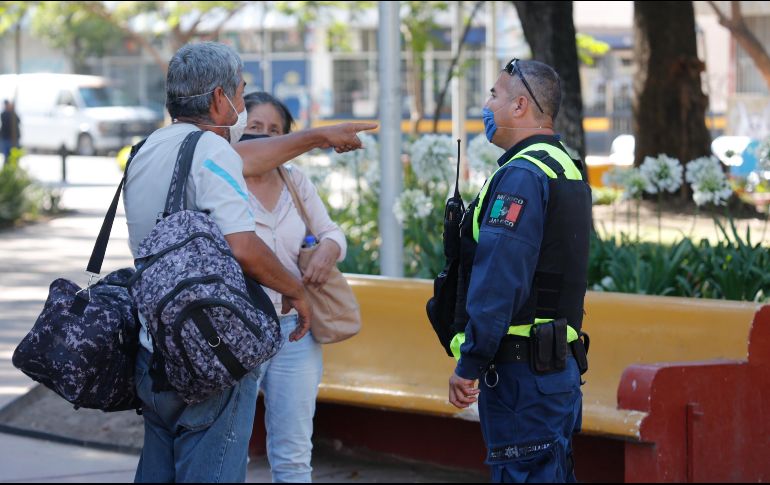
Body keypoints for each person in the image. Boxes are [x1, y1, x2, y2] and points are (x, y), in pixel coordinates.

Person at [124, 42, 375, 483]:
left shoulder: (147, 149)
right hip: (210, 349)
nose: (242, 106)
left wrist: (318, 135)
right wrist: (296, 290)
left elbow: (250, 158)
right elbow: (243, 247)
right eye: (240, 94)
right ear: (219, 98)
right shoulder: (212, 150)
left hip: (155, 344)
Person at [447, 59, 592, 483]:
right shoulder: (564, 166)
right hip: (553, 373)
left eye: (494, 94)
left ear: (520, 105)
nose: (486, 103)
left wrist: (469, 363)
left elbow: (500, 278)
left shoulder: (521, 176)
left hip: (521, 379)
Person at [240, 91, 346, 483]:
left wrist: (328, 250)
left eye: (274, 131)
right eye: (254, 128)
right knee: (230, 449)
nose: (265, 137)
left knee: (294, 454)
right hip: (237, 329)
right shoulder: (222, 180)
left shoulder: (295, 181)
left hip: (295, 330)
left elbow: (332, 232)